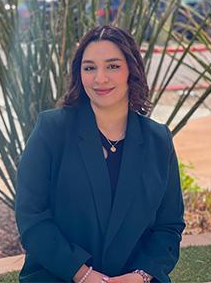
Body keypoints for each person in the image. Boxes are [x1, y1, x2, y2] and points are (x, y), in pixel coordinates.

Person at [15, 25, 185, 283]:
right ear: (79, 74)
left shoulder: (158, 140)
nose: (100, 78)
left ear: (132, 70)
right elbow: (32, 217)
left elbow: (169, 226)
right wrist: (83, 275)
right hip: (58, 276)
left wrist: (141, 275)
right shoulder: (51, 130)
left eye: (113, 66)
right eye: (89, 67)